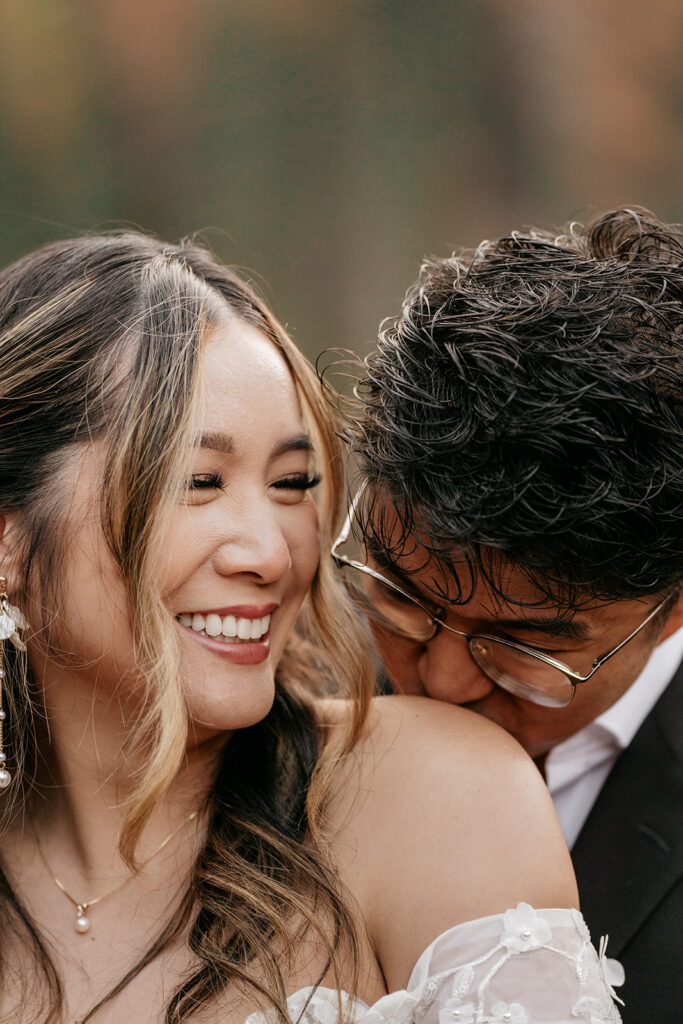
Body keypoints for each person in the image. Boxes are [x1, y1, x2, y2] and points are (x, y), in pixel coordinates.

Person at [0, 232, 621, 1024]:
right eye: (199, 481)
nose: (272, 553)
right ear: (10, 542)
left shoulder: (435, 797)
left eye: (292, 482)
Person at [337, 207, 683, 1024]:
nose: (444, 681)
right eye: (401, 596)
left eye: (522, 647)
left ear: (671, 608)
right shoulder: (271, 700)